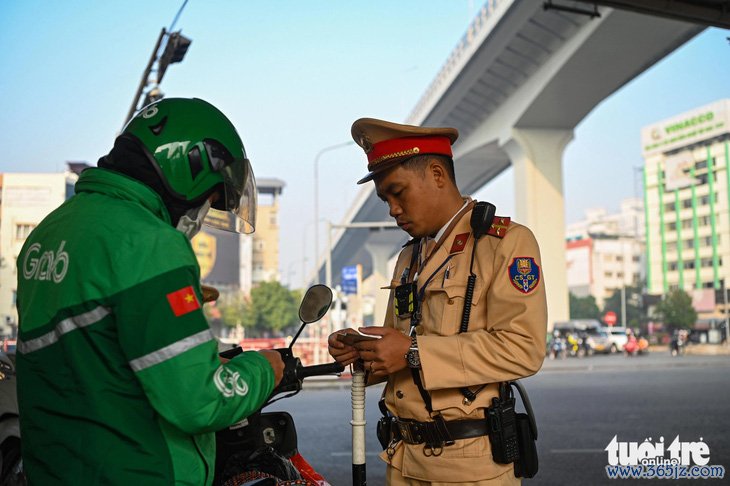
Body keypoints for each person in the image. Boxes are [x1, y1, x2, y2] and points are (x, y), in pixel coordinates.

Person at [15, 98, 285, 485]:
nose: (199, 216)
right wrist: (265, 368)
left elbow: (94, 356)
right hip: (137, 471)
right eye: (209, 200)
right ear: (190, 167)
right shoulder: (150, 243)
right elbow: (201, 401)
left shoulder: (50, 231)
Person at [328, 118, 547, 485]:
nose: (393, 209)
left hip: (469, 467)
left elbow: (524, 348)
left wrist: (413, 352)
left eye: (399, 192)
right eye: (385, 200)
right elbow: (395, 352)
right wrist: (364, 352)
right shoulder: (409, 257)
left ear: (437, 174)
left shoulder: (503, 243)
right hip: (403, 459)